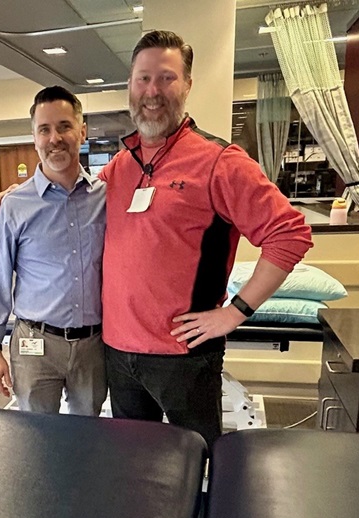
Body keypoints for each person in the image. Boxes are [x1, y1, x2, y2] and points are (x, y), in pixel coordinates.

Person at [96, 30, 313, 447]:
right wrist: (16, 192)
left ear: (188, 85)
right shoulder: (120, 167)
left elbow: (290, 234)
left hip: (183, 358)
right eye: (143, 79)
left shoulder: (219, 161)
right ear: (129, 86)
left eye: (166, 78)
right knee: (133, 467)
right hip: (117, 354)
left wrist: (234, 312)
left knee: (196, 466)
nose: (153, 91)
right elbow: (70, 196)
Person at [0, 86, 108, 415]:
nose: (55, 138)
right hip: (35, 344)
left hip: (93, 345)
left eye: (64, 126)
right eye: (45, 129)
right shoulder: (14, 206)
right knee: (37, 441)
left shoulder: (107, 198)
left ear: (82, 131)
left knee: (88, 436)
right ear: (34, 137)